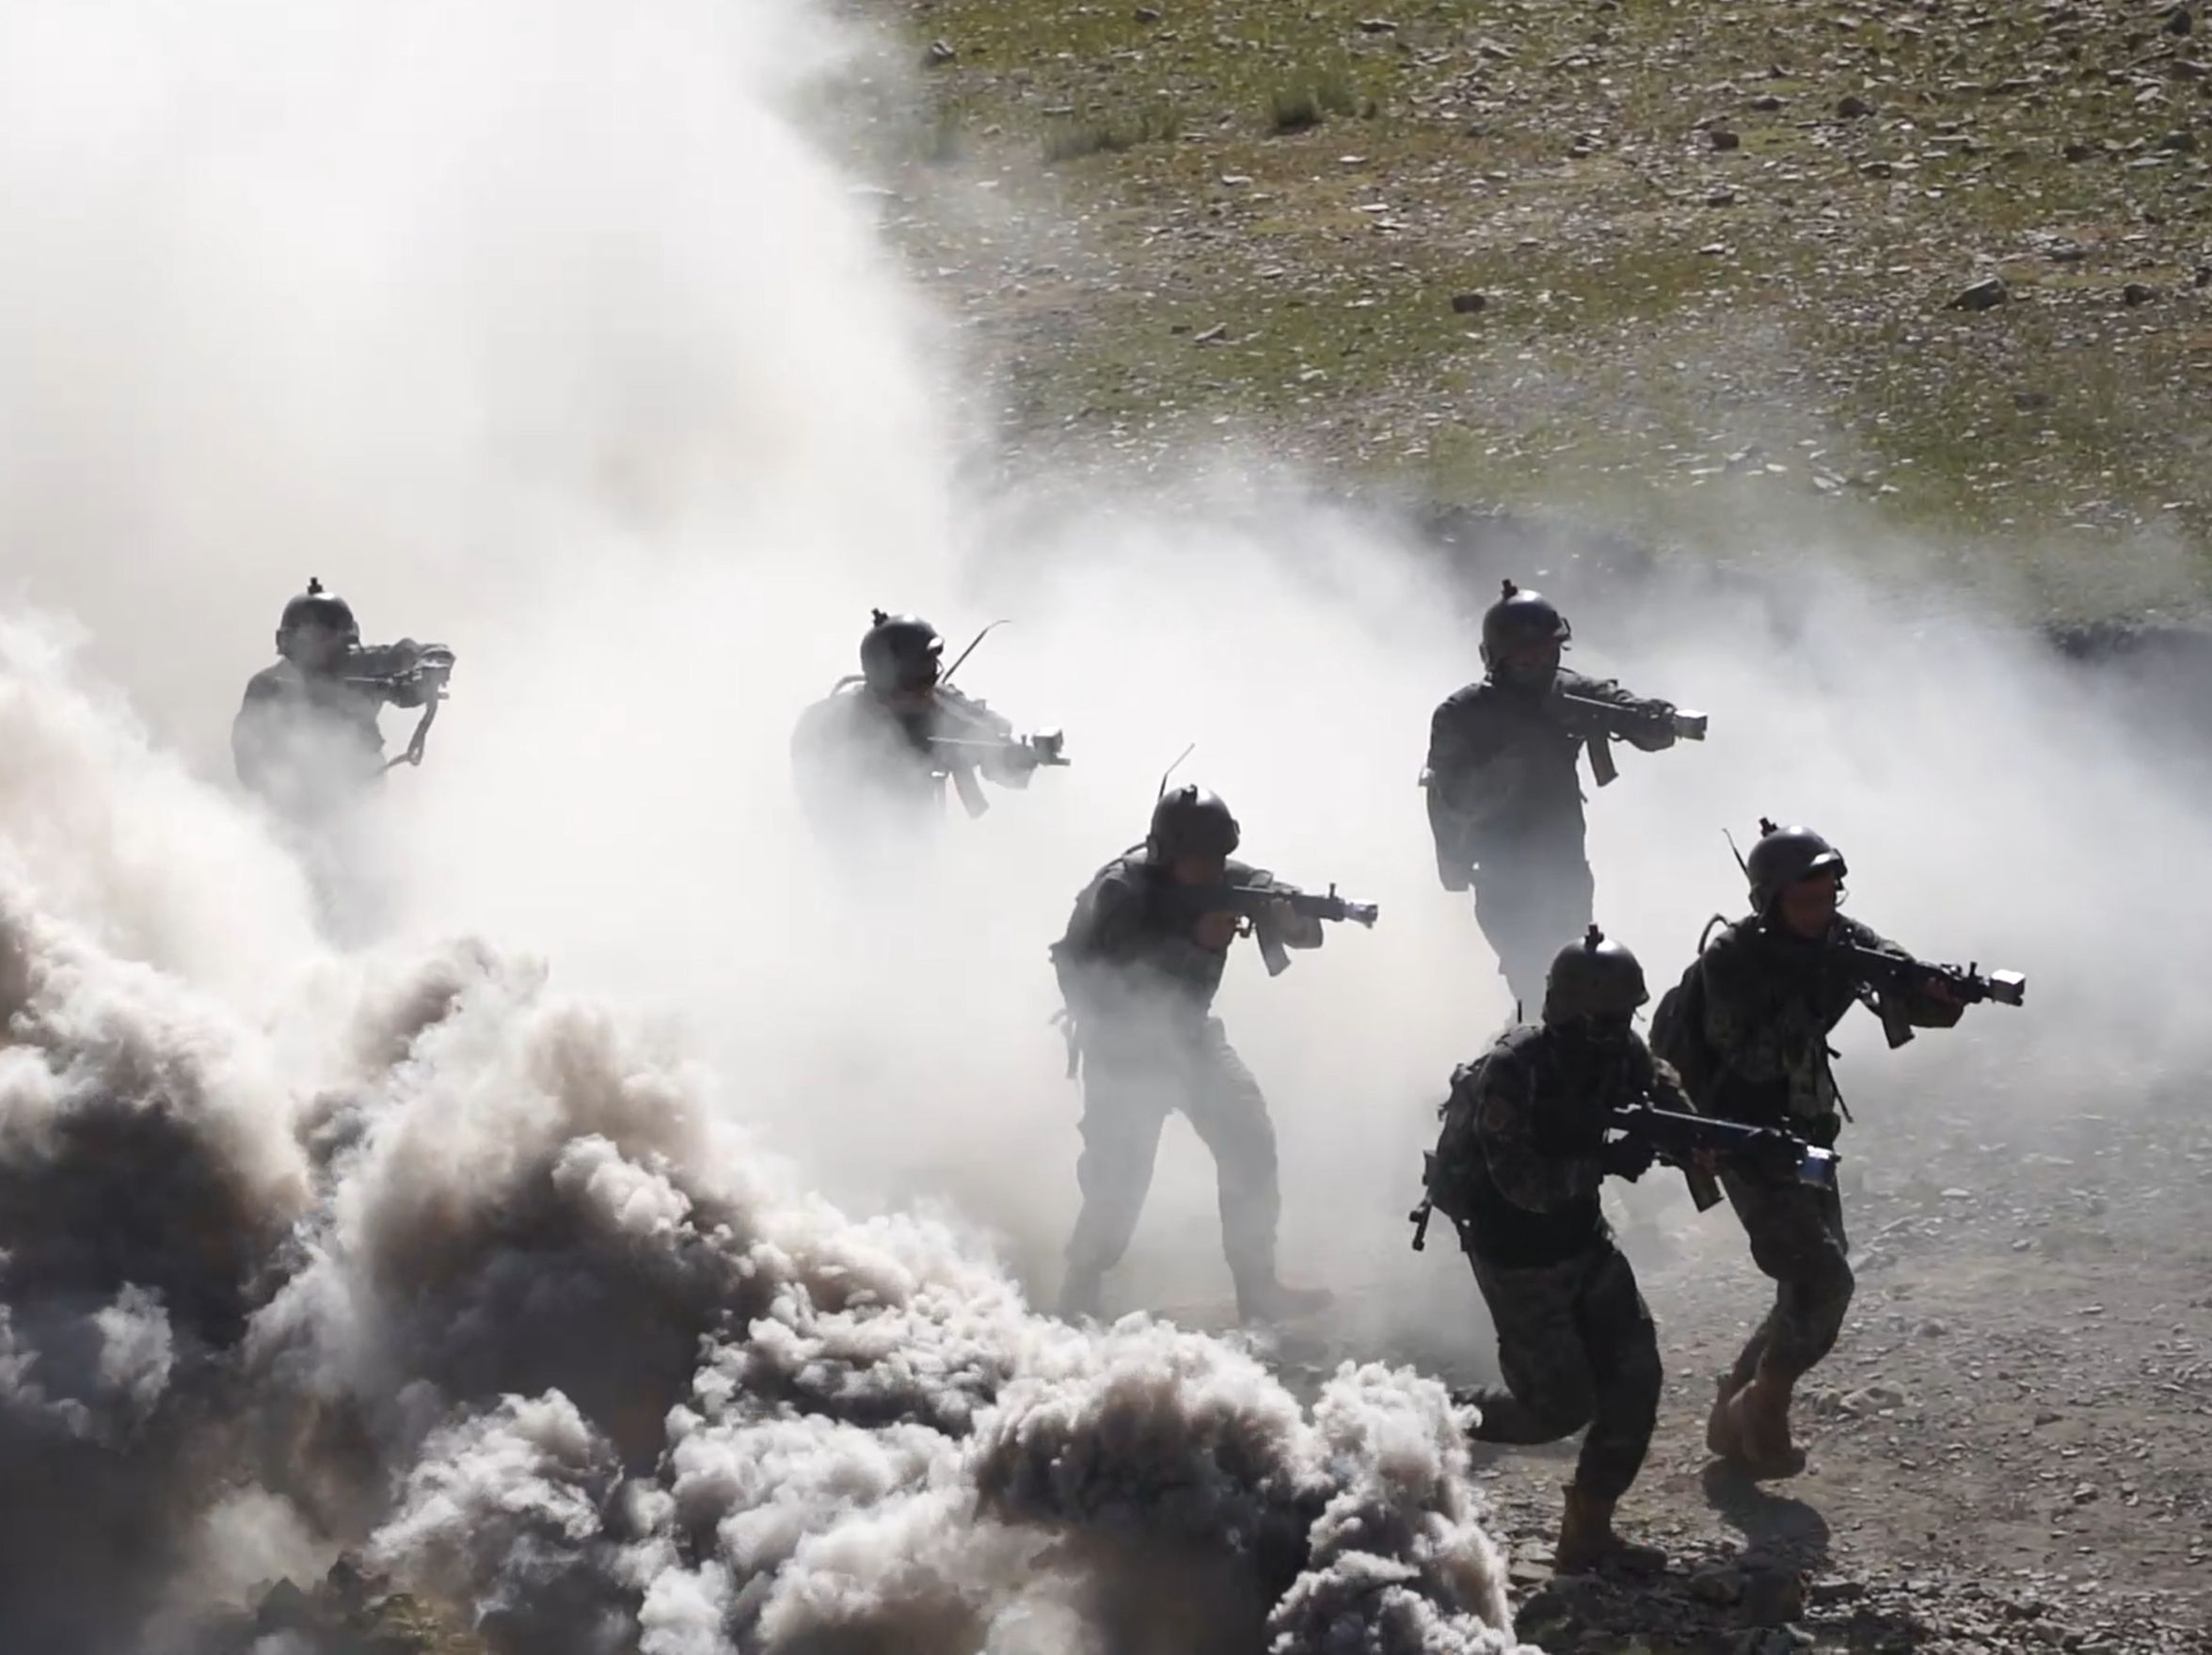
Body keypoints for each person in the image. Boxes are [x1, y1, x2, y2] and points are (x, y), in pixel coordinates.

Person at [1679, 821, 1967, 1475]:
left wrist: (1929, 990)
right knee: (1823, 1279)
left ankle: (1732, 1416)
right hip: (1743, 1136)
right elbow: (1746, 1059)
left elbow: (1896, 974)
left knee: (1807, 1280)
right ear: (1769, 901)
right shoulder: (1732, 959)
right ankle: (1766, 1406)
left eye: (1829, 896)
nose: (1821, 912)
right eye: (1805, 901)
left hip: (1807, 1137)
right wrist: (1816, 986)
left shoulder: (1841, 938)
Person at [1424, 926, 1679, 1571]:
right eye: (1607, 1017)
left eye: (1626, 1015)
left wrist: (1687, 1128)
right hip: (1519, 1255)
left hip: (1583, 1240)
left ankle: (1586, 1530)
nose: (1620, 1028)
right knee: (1555, 1407)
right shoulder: (1514, 1071)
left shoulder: (1615, 1048)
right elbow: (1523, 1187)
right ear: (1570, 1010)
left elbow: (1656, 1079)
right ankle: (1429, 1417)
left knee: (1635, 1377)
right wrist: (1604, 1160)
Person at [1049, 785, 1335, 1326]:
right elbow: (1113, 983)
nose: (1209, 871)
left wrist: (1294, 922)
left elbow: (1279, 901)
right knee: (1119, 1181)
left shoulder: (1228, 880)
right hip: (1123, 1050)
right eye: (1196, 860)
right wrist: (1195, 942)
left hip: (1192, 1038)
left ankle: (1258, 1288)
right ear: (1165, 854)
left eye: (1217, 859)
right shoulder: (1120, 891)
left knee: (1249, 1138)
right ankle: (1078, 1290)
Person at [1423, 580, 1698, 1015]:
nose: (1539, 662)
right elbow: (1453, 796)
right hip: (1501, 873)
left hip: (1565, 864)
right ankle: (1522, 1060)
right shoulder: (1461, 715)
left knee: (1576, 973)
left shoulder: (1567, 694)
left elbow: (1620, 708)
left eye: (1548, 651)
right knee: (1535, 980)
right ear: (1499, 658)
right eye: (1526, 655)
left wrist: (1657, 720)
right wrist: (1517, 759)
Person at [789, 610, 1062, 840]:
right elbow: (817, 799)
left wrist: (1018, 757)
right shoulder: (827, 724)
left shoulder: (940, 703)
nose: (930, 686)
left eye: (932, 670)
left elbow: (992, 745)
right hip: (851, 849)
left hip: (922, 846)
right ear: (892, 677)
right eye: (920, 676)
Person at [232, 578, 452, 825]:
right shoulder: (268, 686)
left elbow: (416, 653)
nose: (312, 650)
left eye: (319, 639)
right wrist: (286, 790)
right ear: (287, 643)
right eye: (304, 640)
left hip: (361, 799)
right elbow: (248, 757)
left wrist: (427, 668)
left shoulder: (367, 665)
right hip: (290, 812)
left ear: (342, 641)